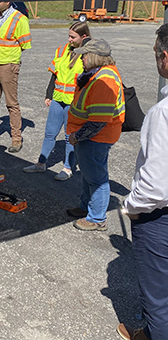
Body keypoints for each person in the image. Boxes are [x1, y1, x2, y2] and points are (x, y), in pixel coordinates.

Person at [117, 24, 168, 340]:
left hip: (159, 218)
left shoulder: (162, 114)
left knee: (159, 302)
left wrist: (131, 208)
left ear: (166, 56)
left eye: (155, 55)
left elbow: (156, 186)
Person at [66, 39, 125, 231]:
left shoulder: (104, 80)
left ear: (93, 57)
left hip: (96, 137)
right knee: (88, 174)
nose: (81, 59)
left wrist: (78, 136)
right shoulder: (98, 74)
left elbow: (98, 121)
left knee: (97, 178)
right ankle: (85, 207)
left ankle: (97, 218)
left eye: (84, 55)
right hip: (91, 137)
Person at [23, 22, 91, 181]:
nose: (69, 39)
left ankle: (67, 168)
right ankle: (41, 163)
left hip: (73, 103)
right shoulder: (62, 50)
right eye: (68, 35)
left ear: (84, 37)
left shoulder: (88, 55)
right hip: (58, 98)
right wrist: (49, 94)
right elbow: (54, 74)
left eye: (73, 37)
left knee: (70, 136)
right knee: (49, 133)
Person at [0, 1, 31, 153]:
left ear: (8, 2)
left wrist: (10, 60)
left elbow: (25, 44)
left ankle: (16, 139)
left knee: (11, 103)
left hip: (8, 65)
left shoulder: (19, 19)